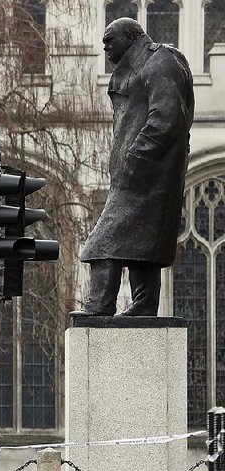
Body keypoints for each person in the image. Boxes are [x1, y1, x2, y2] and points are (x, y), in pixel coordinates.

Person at [73, 17, 194, 317]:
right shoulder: (142, 64)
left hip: (148, 176)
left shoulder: (159, 61)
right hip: (143, 176)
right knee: (143, 246)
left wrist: (136, 157)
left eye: (109, 40)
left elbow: (166, 116)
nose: (105, 47)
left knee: (101, 244)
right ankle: (143, 306)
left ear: (130, 36)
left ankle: (99, 306)